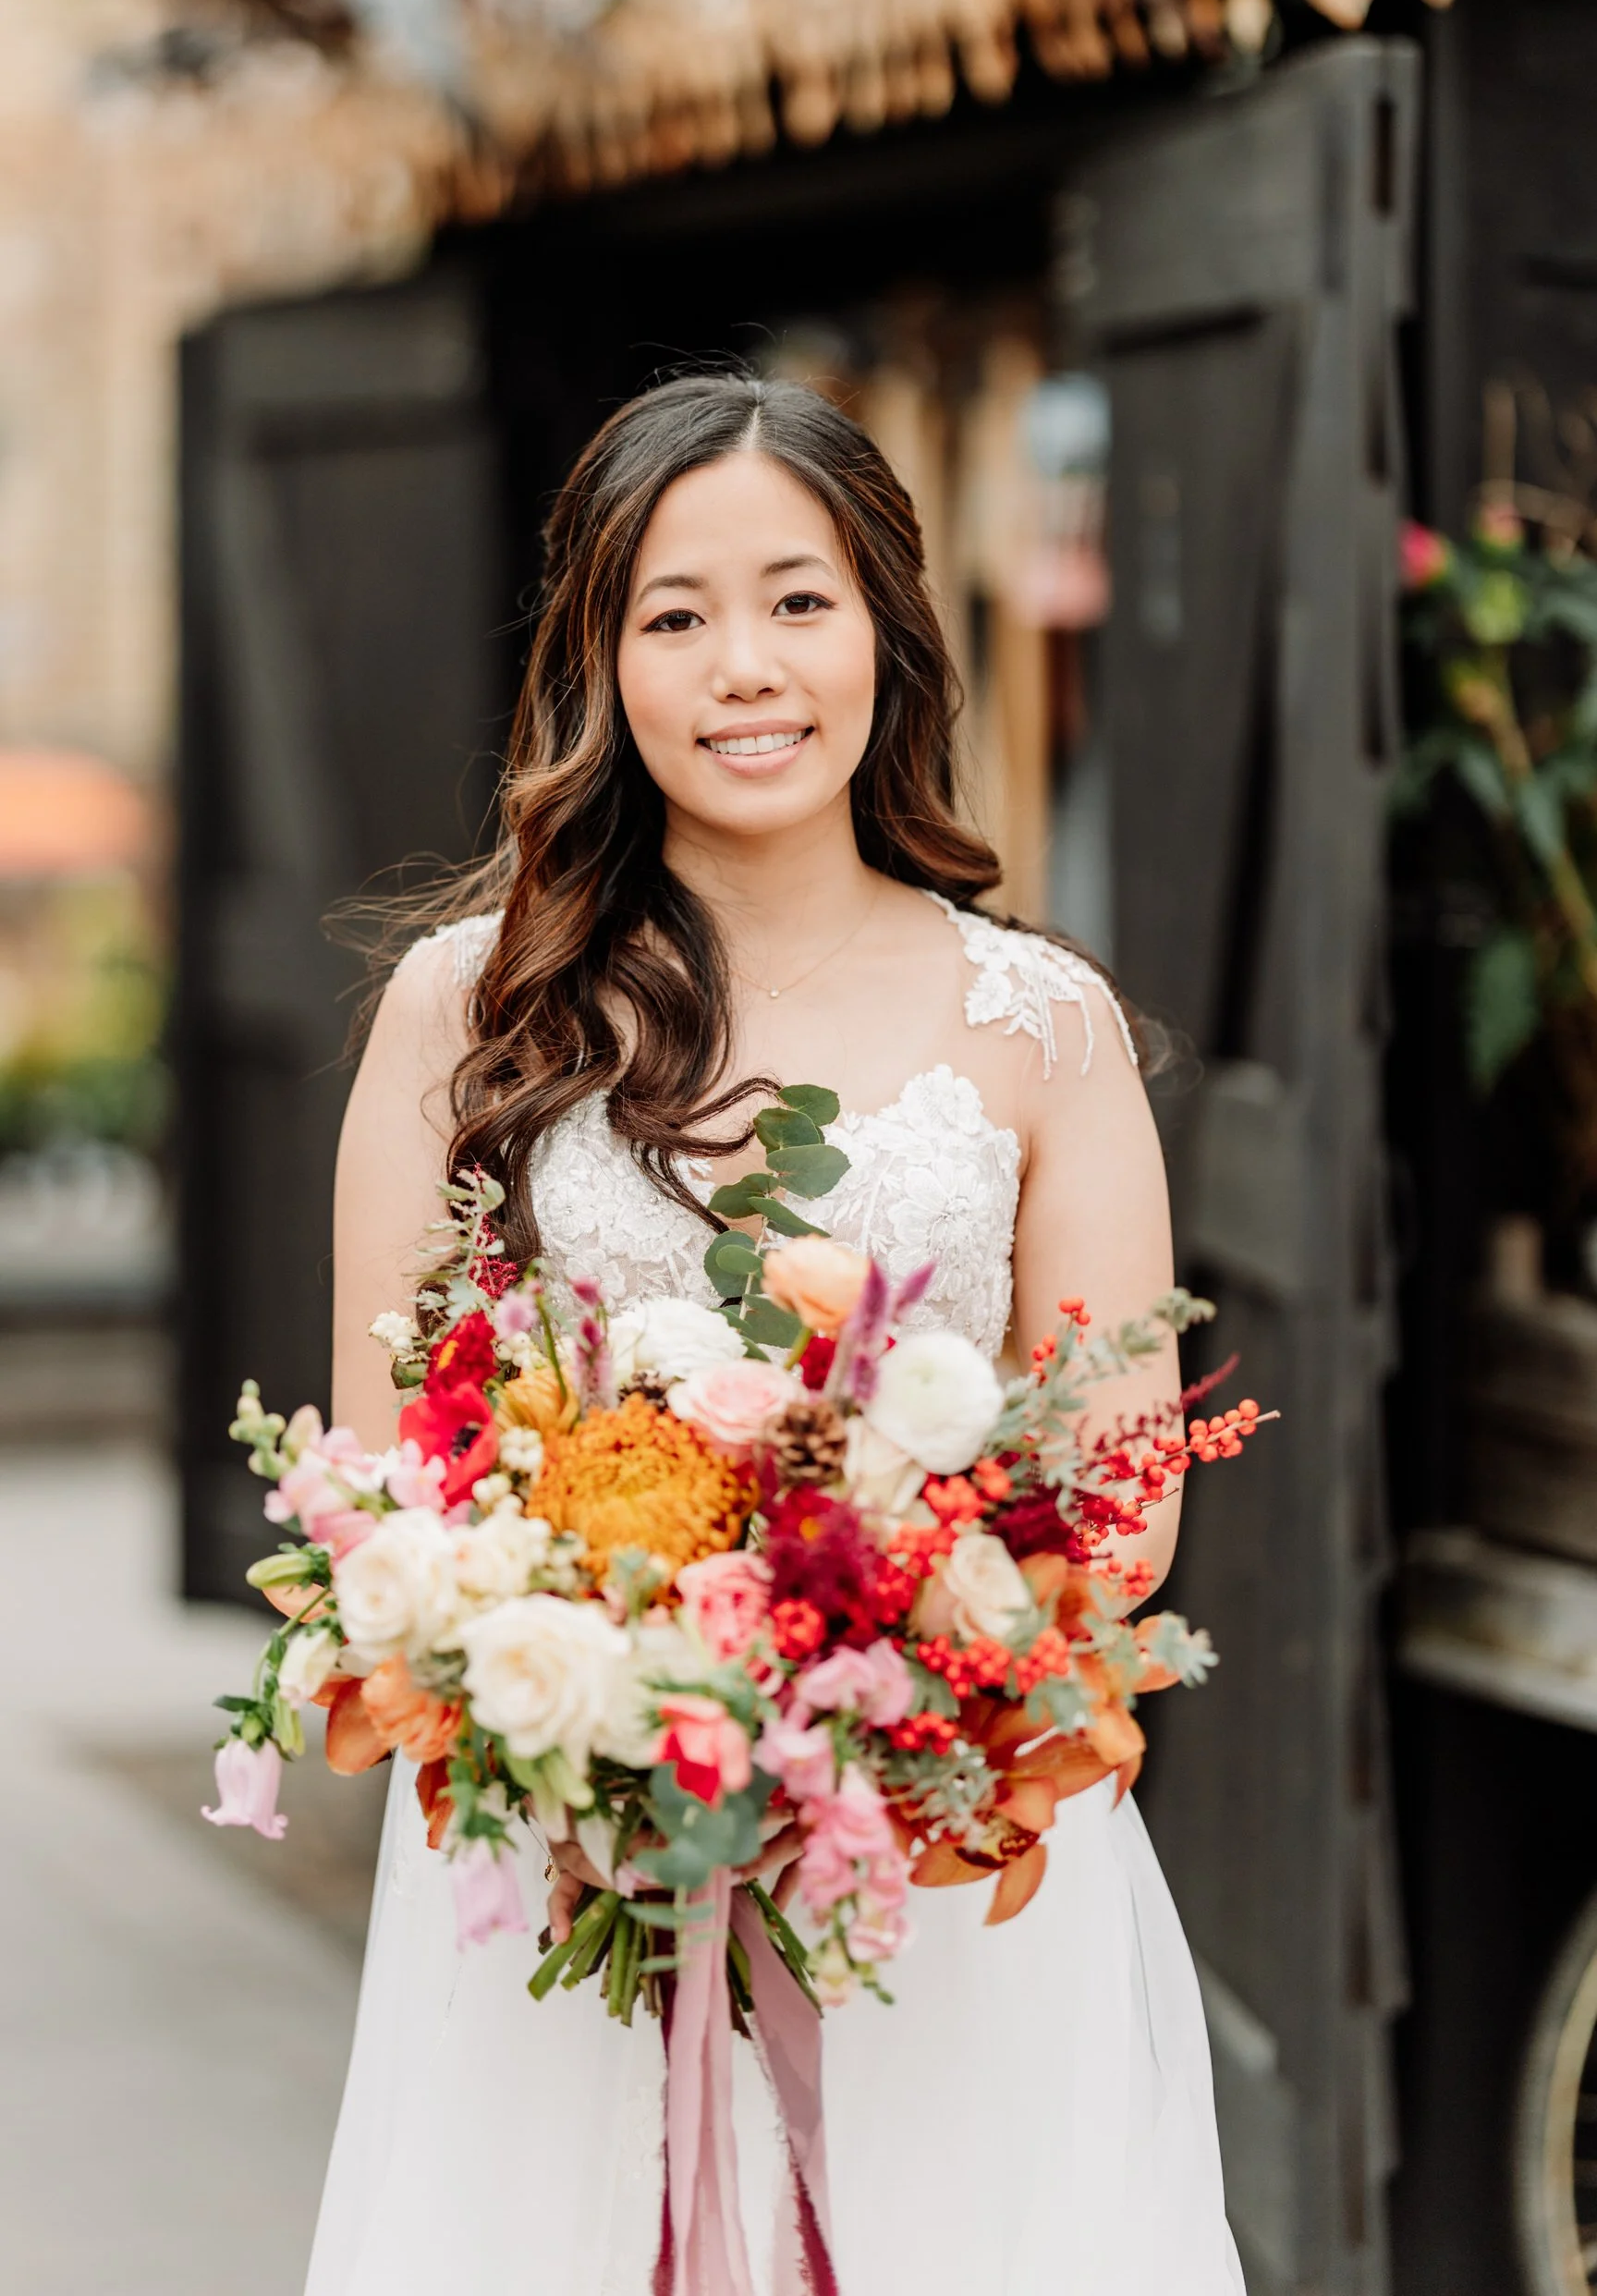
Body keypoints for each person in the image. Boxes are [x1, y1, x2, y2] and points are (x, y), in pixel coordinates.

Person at [307, 373, 1243, 2295]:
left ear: (890, 631)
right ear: (601, 659)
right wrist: (622, 1691)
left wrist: (870, 1679)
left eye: (799, 601)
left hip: (943, 1865)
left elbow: (1124, 1498)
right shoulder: (460, 1011)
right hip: (567, 1864)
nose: (747, 665)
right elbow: (376, 1493)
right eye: (675, 613)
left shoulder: (1041, 1023)